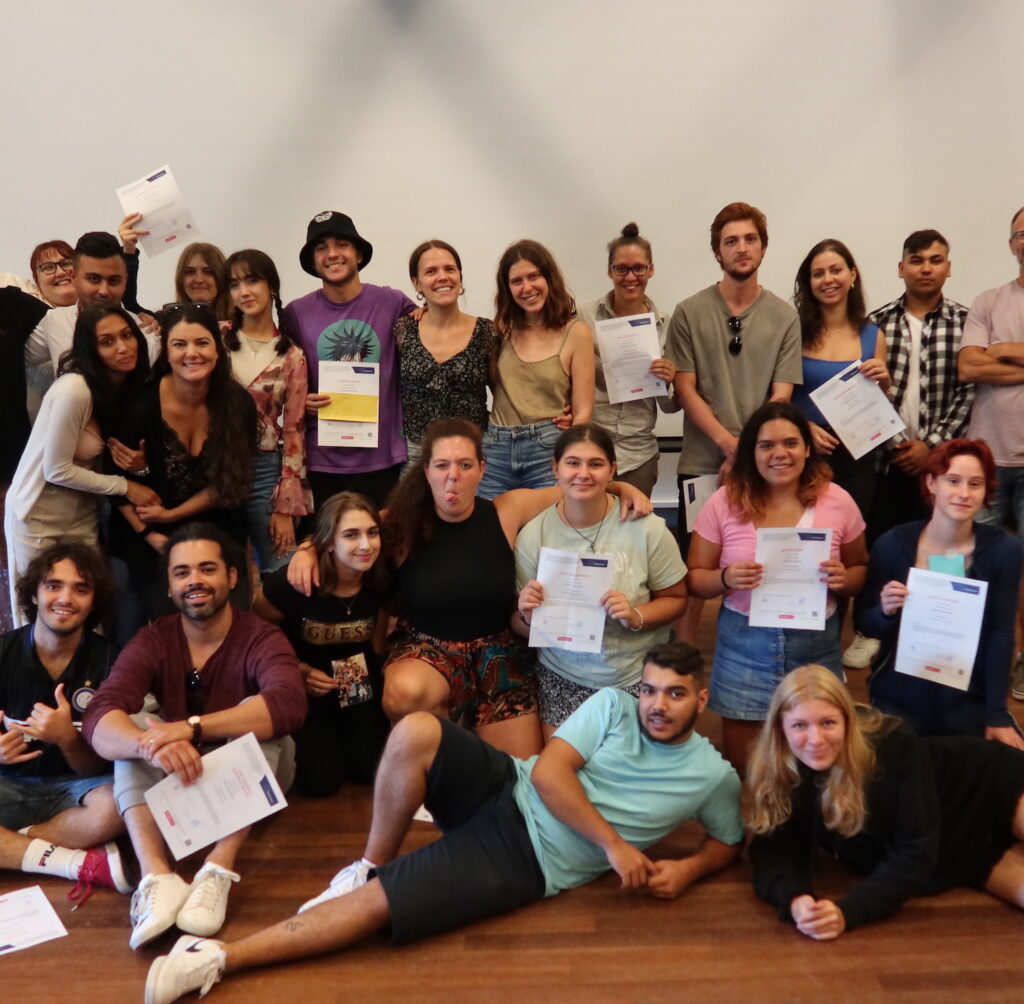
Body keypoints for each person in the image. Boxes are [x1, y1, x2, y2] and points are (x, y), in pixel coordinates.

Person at [143, 643, 744, 1004]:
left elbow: (728, 841)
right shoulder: (613, 704)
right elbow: (549, 774)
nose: (657, 706)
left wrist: (688, 870)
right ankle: (368, 862)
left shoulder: (712, 777)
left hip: (531, 859)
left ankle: (217, 958)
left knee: (383, 905)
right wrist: (614, 846)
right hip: (511, 782)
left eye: (674, 695)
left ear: (702, 698)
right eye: (651, 690)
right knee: (417, 729)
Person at [288, 417, 650, 758]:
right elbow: (345, 526)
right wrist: (308, 548)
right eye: (442, 465)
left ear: (482, 469)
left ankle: (470, 727)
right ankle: (440, 741)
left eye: (464, 465)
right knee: (406, 694)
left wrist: (620, 485)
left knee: (519, 773)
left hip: (499, 655)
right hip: (427, 650)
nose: (453, 477)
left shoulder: (506, 510)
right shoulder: (400, 523)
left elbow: (573, 485)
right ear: (426, 470)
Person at [83, 524, 305, 949]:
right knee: (131, 729)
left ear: (232, 578)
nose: (195, 581)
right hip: (178, 775)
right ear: (169, 585)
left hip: (248, 780)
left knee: (259, 725)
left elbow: (289, 704)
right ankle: (157, 876)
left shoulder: (260, 636)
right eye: (182, 572)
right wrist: (148, 744)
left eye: (207, 569)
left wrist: (191, 727)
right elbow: (99, 714)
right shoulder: (153, 638)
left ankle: (217, 871)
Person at [746, 664, 1024, 940]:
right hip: (958, 853)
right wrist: (795, 899)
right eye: (799, 725)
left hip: (985, 785)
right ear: (780, 729)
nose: (815, 739)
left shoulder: (894, 744)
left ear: (847, 721)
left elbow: (915, 850)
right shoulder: (778, 774)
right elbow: (770, 852)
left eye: (828, 723)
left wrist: (851, 910)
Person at [685, 402, 867, 774]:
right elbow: (694, 578)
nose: (779, 454)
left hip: (815, 644)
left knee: (817, 762)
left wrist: (844, 579)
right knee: (746, 768)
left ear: (807, 448)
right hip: (743, 644)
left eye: (790, 443)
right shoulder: (724, 502)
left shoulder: (838, 500)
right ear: (751, 452)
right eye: (766, 445)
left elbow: (861, 568)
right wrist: (724, 578)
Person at [664, 202, 802, 644]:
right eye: (731, 241)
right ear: (717, 252)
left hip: (767, 465)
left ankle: (759, 650)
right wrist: (729, 446)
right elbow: (685, 389)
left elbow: (780, 398)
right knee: (696, 565)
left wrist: (746, 456)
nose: (741, 249)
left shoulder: (785, 316)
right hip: (703, 460)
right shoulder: (689, 312)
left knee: (758, 560)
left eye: (750, 239)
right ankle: (682, 659)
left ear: (762, 247)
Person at [515, 424, 687, 737]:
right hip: (563, 674)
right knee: (563, 773)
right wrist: (527, 616)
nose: (583, 473)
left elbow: (677, 599)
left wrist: (636, 615)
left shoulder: (646, 528)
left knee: (634, 774)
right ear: (556, 469)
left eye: (595, 464)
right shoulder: (533, 535)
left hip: (640, 673)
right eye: (572, 463)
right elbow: (517, 621)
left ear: (612, 471)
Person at [856, 440, 1023, 747]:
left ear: (987, 491)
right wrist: (885, 610)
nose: (964, 493)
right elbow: (866, 625)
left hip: (969, 695)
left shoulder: (1004, 551)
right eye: (953, 480)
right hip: (899, 694)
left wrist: (997, 714)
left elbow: (1001, 635)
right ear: (931, 483)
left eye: (975, 484)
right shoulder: (893, 544)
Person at [106, 304, 257, 640]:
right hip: (147, 537)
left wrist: (171, 513)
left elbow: (230, 483)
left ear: (217, 349)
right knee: (167, 640)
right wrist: (152, 533)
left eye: (202, 343)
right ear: (166, 351)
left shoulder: (237, 404)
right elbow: (113, 484)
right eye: (179, 344)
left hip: (218, 530)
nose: (192, 353)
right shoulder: (139, 405)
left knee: (231, 637)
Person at [4, 304, 158, 624]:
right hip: (37, 517)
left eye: (127, 335)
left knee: (88, 615)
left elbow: (114, 458)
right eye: (107, 341)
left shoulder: (123, 388)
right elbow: (56, 469)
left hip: (82, 515)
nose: (122, 347)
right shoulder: (74, 388)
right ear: (91, 348)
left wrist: (139, 467)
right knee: (38, 620)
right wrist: (128, 486)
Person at [0, 544, 129, 902]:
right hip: (9, 784)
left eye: (81, 589)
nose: (65, 598)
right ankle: (72, 859)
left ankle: (14, 847)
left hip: (80, 786)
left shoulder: (114, 662)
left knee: (119, 804)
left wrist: (67, 740)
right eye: (54, 585)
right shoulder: (3, 651)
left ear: (94, 601)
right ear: (35, 594)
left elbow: (106, 763)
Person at [253, 492, 390, 796]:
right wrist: (294, 669)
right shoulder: (298, 581)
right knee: (321, 782)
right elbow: (256, 629)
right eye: (351, 535)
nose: (366, 545)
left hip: (357, 683)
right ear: (329, 542)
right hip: (305, 686)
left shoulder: (380, 578)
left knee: (370, 772)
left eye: (372, 532)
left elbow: (379, 627)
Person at [285, 210, 415, 510]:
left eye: (342, 244)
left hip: (381, 458)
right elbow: (282, 376)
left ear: (358, 254)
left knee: (380, 548)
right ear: (313, 261)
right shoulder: (295, 313)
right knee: (327, 551)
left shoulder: (393, 303)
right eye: (321, 248)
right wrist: (299, 402)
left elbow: (433, 328)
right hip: (321, 461)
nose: (332, 254)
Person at [957, 205, 1024, 698]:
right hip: (989, 460)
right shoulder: (987, 300)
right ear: (1010, 244)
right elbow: (969, 368)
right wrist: (992, 355)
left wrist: (1004, 349)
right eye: (1020, 233)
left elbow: (989, 358)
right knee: (970, 560)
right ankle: (964, 654)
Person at [478, 239, 594, 498]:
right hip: (495, 448)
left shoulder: (576, 333)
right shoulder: (499, 332)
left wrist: (569, 454)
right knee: (492, 532)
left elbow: (584, 412)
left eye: (534, 276)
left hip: (548, 449)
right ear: (507, 288)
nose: (527, 287)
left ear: (549, 279)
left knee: (547, 534)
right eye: (517, 281)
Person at [223, 249, 312, 575]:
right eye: (234, 284)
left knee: (280, 574)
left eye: (252, 280)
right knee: (223, 576)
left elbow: (294, 430)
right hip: (217, 471)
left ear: (271, 286)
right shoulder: (214, 340)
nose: (244, 292)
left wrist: (286, 507)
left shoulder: (291, 355)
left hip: (266, 472)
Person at [576, 223, 679, 496]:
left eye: (638, 268)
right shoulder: (583, 317)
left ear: (651, 269)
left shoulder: (667, 325)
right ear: (610, 271)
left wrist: (669, 380)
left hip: (638, 454)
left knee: (631, 535)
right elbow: (565, 376)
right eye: (621, 269)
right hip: (590, 450)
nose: (630, 277)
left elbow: (669, 407)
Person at [791, 238, 891, 519]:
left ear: (852, 275)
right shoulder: (792, 333)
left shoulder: (874, 336)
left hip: (856, 460)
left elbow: (878, 407)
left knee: (849, 540)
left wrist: (885, 383)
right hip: (804, 454)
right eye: (818, 273)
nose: (828, 279)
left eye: (836, 270)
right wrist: (803, 427)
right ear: (809, 282)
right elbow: (774, 398)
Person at [394, 239, 494, 466]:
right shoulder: (403, 330)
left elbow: (505, 395)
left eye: (450, 269)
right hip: (416, 453)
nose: (442, 277)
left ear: (460, 276)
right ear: (417, 283)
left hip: (474, 451)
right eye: (431, 271)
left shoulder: (487, 332)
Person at [24, 231, 159, 376]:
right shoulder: (56, 321)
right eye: (94, 279)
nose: (104, 291)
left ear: (125, 281)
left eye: (114, 281)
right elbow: (12, 356)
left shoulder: (147, 334)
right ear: (74, 277)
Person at [173, 242, 232, 321]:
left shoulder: (244, 322)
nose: (199, 280)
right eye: (190, 272)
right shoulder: (164, 326)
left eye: (208, 272)